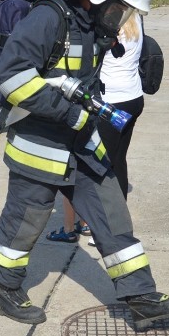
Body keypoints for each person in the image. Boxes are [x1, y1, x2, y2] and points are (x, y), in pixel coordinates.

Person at [0, 0, 169, 327]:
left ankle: (140, 295)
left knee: (111, 211)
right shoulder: (48, 19)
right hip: (40, 145)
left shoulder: (89, 23)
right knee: (25, 221)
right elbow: (11, 77)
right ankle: (6, 290)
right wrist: (68, 110)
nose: (121, 22)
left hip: (81, 138)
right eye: (121, 11)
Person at [46, 14, 146, 245]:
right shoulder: (136, 17)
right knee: (118, 161)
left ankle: (98, 226)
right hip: (133, 97)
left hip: (109, 103)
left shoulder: (107, 21)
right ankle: (118, 224)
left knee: (96, 166)